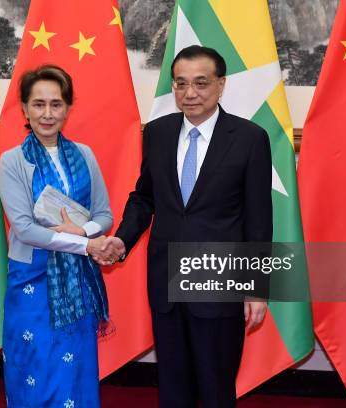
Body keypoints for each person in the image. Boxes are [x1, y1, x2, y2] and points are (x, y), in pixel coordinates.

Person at [102, 46, 272, 407]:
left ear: (221, 84)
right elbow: (144, 196)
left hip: (219, 282)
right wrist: (122, 239)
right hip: (166, 281)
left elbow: (259, 218)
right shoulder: (158, 133)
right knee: (173, 387)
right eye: (180, 84)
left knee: (215, 387)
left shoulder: (249, 139)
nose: (190, 93)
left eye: (200, 83)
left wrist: (257, 289)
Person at [0, 65, 113, 407]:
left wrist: (83, 231)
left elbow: (104, 215)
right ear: (24, 108)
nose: (47, 114)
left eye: (56, 104)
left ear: (67, 108)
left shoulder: (85, 155)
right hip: (31, 279)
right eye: (38, 104)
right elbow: (25, 229)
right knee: (33, 366)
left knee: (75, 370)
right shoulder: (12, 161)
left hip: (77, 282)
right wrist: (86, 244)